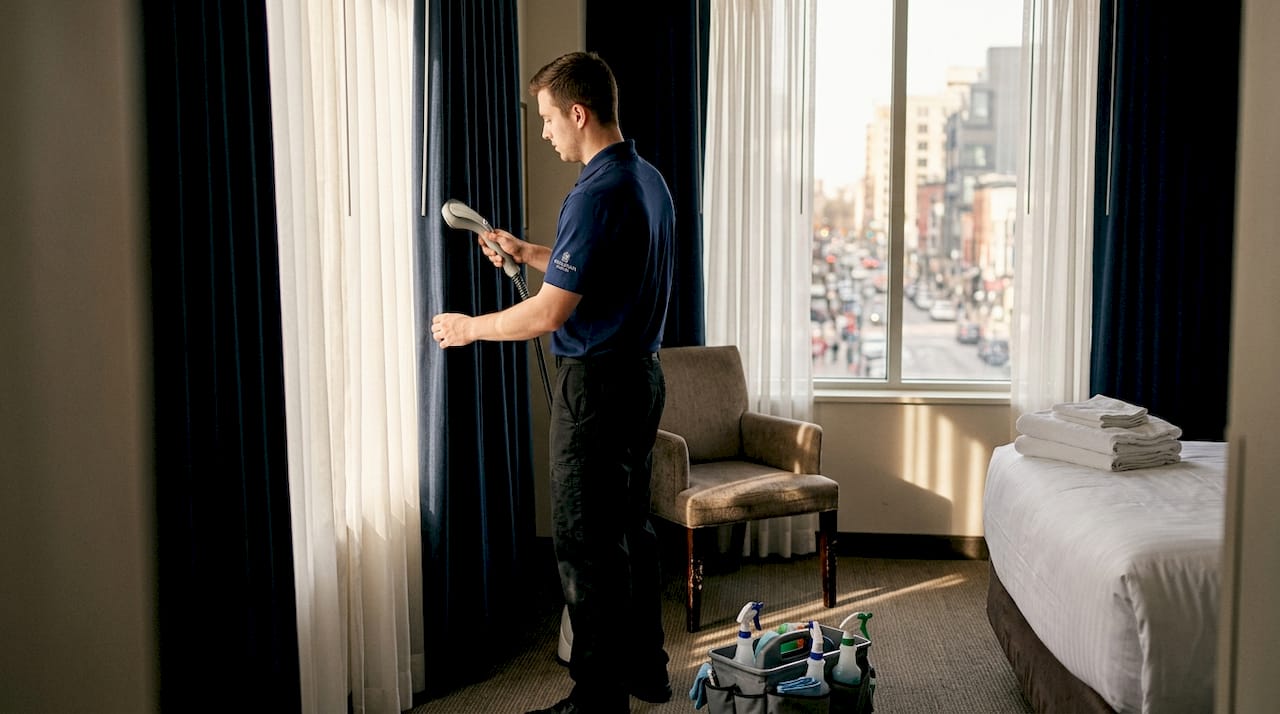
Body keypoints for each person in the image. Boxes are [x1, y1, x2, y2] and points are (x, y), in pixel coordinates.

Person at [431, 51, 675, 714]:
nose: (544, 133)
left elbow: (549, 311)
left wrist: (467, 328)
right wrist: (530, 250)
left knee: (583, 543)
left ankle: (595, 699)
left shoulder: (594, 192)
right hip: (640, 379)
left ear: (578, 112)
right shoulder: (646, 181)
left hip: (594, 390)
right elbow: (602, 268)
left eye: (547, 119)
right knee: (631, 531)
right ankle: (647, 671)